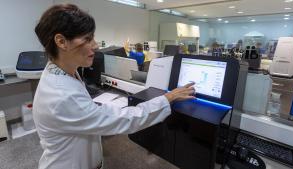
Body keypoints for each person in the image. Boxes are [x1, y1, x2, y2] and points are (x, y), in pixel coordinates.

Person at [33, 4, 195, 169]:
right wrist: (167, 98)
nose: (95, 45)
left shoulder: (61, 70)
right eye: (87, 39)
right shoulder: (61, 94)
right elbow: (124, 119)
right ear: (61, 42)